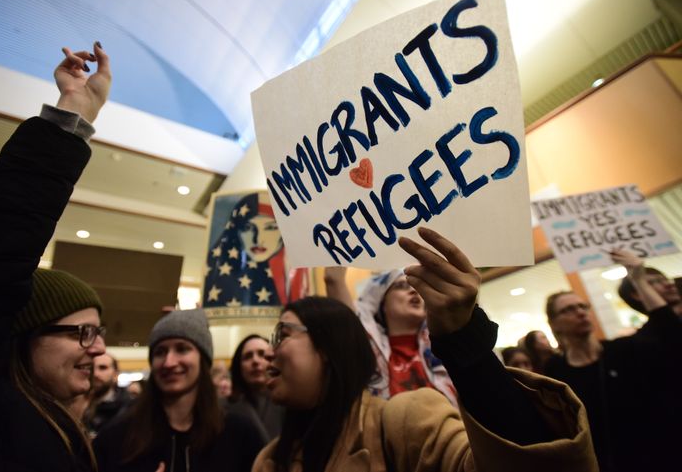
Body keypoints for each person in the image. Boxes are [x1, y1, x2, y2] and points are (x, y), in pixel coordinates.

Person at [254, 228, 597, 472]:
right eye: (401, 286)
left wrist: (464, 338)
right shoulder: (269, 459)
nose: (269, 354)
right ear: (380, 304)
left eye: (280, 335)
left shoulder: (413, 409)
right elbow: (338, 301)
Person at [0, 42, 110, 471]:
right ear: (24, 336)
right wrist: (72, 114)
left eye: (97, 332)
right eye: (82, 332)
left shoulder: (61, 425)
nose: (99, 349)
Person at [544, 249, 682, 472]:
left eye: (583, 306)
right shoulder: (555, 372)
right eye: (569, 310)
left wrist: (638, 278)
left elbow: (672, 335)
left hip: (662, 456)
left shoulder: (624, 350)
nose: (580, 312)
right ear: (554, 324)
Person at [93, 308, 265, 472]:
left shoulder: (239, 433)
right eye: (160, 352)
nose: (169, 362)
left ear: (202, 360)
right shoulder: (117, 437)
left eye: (182, 349)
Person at [324, 267, 457, 404]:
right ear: (382, 303)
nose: (414, 291)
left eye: (417, 286)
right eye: (401, 286)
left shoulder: (445, 345)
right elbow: (334, 281)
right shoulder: (366, 349)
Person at [202, 192, 306, 311]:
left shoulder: (294, 270)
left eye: (271, 227)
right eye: (248, 228)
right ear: (235, 231)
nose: (258, 239)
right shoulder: (220, 276)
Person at [227, 335, 284, 442]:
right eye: (248, 356)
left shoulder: (289, 405)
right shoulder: (224, 409)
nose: (255, 361)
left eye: (262, 354)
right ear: (238, 367)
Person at [84, 353, 132, 437]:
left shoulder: (128, 408)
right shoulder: (75, 404)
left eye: (103, 368)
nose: (95, 374)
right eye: (91, 368)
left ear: (115, 374)